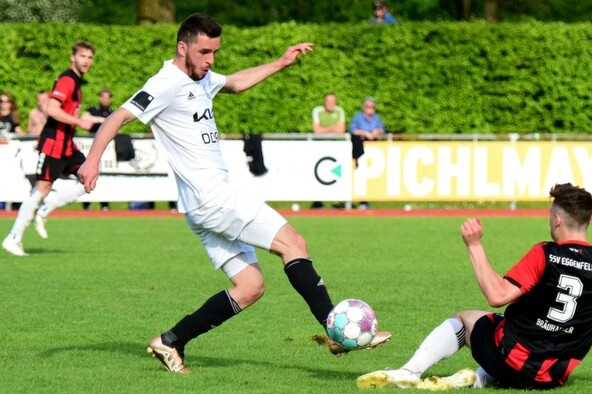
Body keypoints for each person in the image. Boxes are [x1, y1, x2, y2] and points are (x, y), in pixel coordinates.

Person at [77, 13, 391, 373]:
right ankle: (335, 331)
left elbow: (237, 83)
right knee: (294, 243)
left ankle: (171, 341)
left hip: (202, 208)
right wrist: (92, 160)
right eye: (204, 52)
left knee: (250, 287)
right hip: (215, 199)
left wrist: (281, 62)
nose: (211, 60)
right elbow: (117, 116)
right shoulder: (165, 83)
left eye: (215, 52)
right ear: (183, 47)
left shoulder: (202, 76)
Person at [358, 183, 592, 391]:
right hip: (555, 376)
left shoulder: (545, 254)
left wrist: (474, 246)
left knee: (468, 318)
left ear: (556, 220)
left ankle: (409, 372)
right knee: (516, 330)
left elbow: (497, 295)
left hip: (512, 359)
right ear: (589, 220)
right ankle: (481, 380)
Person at [2, 41, 96, 256]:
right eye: (83, 56)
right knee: (40, 190)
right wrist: (79, 122)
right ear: (73, 57)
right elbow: (51, 108)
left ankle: (45, 209)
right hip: (54, 144)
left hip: (66, 144)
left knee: (88, 178)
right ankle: (13, 238)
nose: (87, 61)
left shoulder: (77, 82)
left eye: (90, 57)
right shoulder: (67, 80)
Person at [79, 87, 114, 211]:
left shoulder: (113, 113)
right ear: (99, 97)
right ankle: (86, 204)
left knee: (106, 176)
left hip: (107, 150)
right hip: (91, 148)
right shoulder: (92, 110)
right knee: (88, 173)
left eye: (107, 97)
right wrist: (103, 121)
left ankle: (104, 204)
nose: (105, 99)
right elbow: (84, 118)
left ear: (111, 99)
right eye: (102, 96)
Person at [310, 93, 346, 208]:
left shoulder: (339, 111)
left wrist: (324, 129)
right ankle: (318, 201)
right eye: (328, 101)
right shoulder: (317, 111)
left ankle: (337, 201)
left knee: (337, 173)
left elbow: (340, 131)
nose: (330, 104)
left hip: (335, 148)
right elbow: (316, 130)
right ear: (324, 102)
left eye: (333, 102)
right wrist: (332, 129)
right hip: (319, 147)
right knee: (318, 172)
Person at [349, 96, 385, 210]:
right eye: (368, 107)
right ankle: (359, 200)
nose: (370, 109)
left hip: (373, 152)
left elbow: (382, 130)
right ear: (364, 107)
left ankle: (365, 200)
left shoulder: (376, 118)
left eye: (372, 107)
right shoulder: (358, 118)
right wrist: (366, 133)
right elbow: (352, 130)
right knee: (359, 174)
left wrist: (377, 131)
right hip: (360, 150)